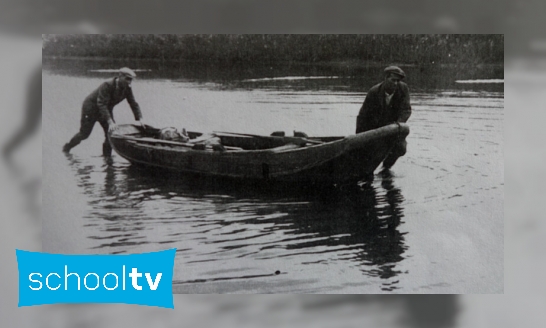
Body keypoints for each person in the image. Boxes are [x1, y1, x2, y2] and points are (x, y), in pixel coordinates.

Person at [63, 67, 146, 156]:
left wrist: (140, 118)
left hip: (105, 110)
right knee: (84, 134)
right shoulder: (107, 85)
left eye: (131, 80)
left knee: (111, 134)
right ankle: (66, 149)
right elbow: (101, 104)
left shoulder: (127, 88)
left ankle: (107, 158)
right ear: (120, 76)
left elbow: (133, 103)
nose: (129, 82)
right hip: (91, 109)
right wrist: (110, 121)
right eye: (127, 79)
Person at [356, 66, 411, 169]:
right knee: (372, 155)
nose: (395, 83)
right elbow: (363, 116)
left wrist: (397, 125)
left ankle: (386, 168)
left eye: (398, 81)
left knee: (401, 149)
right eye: (393, 80)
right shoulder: (374, 92)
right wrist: (359, 138)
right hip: (376, 129)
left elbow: (406, 110)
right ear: (386, 78)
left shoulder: (403, 89)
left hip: (395, 128)